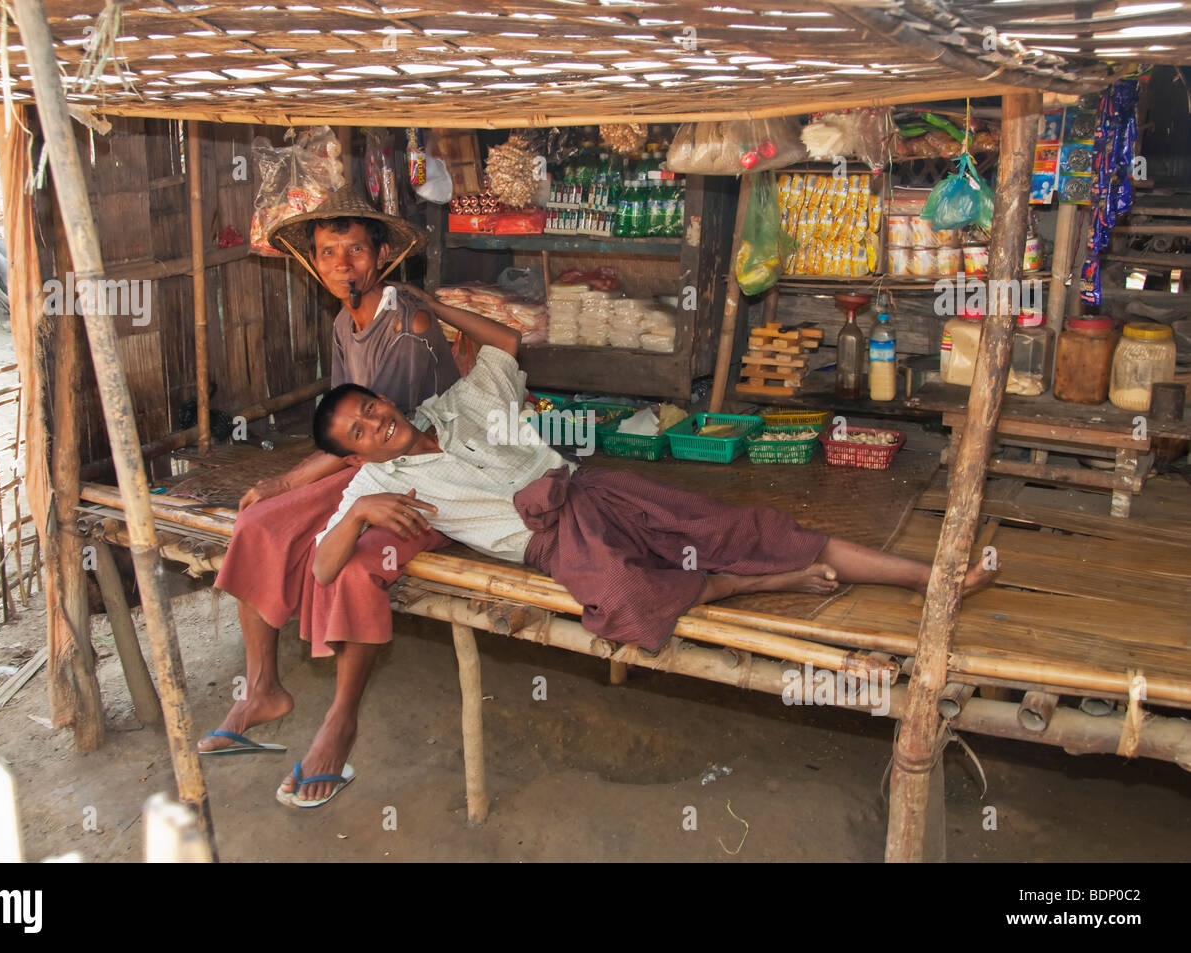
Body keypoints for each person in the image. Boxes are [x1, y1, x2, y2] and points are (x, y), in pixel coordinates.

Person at [310, 330, 996, 798]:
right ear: (353, 455)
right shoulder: (372, 485)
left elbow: (507, 342)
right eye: (359, 432)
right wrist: (362, 515)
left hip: (592, 489)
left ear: (385, 399)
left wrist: (431, 302)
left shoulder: (458, 404)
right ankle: (774, 581)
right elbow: (321, 568)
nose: (376, 423)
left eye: (372, 408)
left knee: (735, 525)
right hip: (551, 543)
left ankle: (929, 576)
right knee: (628, 605)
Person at [202, 189, 518, 808]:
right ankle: (263, 688)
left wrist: (288, 481)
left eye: (354, 250)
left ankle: (340, 723)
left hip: (426, 469)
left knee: (349, 564)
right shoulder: (344, 322)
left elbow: (378, 431)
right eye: (327, 253)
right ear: (314, 263)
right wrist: (283, 490)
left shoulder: (409, 322)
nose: (341, 264)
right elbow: (348, 432)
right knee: (258, 528)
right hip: (367, 464)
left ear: (380, 257)